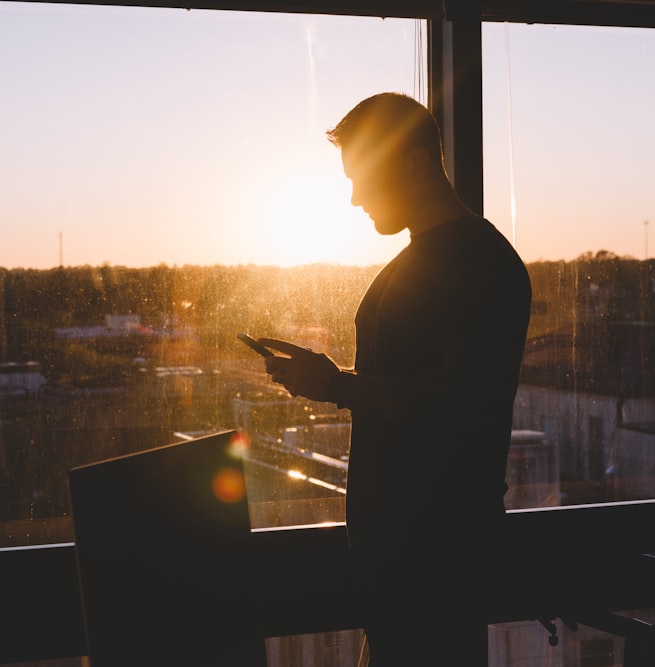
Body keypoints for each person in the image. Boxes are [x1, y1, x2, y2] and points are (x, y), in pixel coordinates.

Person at [258, 92, 532, 665]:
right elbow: (434, 391)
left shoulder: (475, 264)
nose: (355, 197)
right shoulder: (445, 260)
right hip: (414, 565)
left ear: (412, 162)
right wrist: (329, 380)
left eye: (363, 176)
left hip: (432, 564)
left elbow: (459, 405)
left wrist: (335, 385)